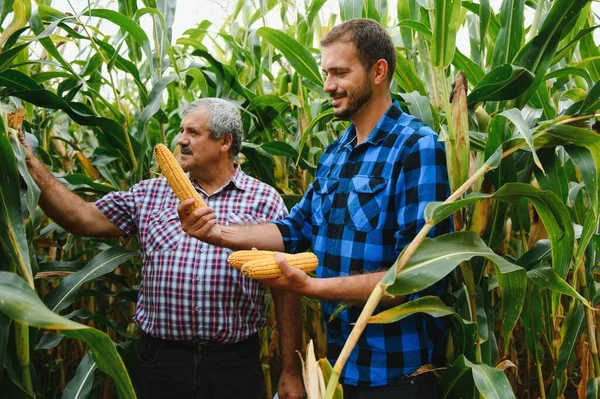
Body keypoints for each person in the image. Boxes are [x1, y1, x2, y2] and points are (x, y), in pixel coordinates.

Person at [179, 19, 452, 398]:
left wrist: (311, 287)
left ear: (378, 71)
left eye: (339, 73)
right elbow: (294, 230)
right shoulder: (335, 154)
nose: (327, 86)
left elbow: (417, 275)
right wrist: (216, 233)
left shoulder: (416, 148)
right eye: (326, 73)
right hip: (341, 366)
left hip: (398, 373)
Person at [18, 98, 304, 399]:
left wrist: (290, 371)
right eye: (181, 130)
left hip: (233, 363)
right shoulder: (150, 193)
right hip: (161, 361)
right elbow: (81, 217)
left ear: (225, 141)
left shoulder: (264, 200)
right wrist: (31, 165)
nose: (181, 139)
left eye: (193, 132)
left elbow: (285, 290)